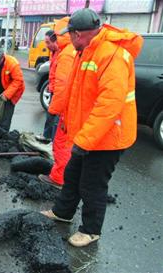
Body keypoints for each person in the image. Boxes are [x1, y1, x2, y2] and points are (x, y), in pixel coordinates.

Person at [41, 8, 143, 247]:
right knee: (73, 175)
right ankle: (63, 213)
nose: (69, 39)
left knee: (92, 184)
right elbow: (78, 96)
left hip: (109, 137)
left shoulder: (111, 55)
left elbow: (109, 105)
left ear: (78, 34)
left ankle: (90, 230)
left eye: (71, 35)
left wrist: (84, 140)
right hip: (90, 133)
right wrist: (68, 126)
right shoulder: (86, 51)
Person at [38, 17, 76, 188]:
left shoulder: (67, 54)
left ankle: (59, 178)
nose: (48, 43)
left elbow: (63, 84)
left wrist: (54, 109)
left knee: (61, 141)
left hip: (66, 105)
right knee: (64, 141)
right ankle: (63, 174)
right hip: (69, 103)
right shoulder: (68, 51)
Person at [35, 30, 60, 143]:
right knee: (50, 114)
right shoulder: (54, 52)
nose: (46, 45)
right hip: (53, 89)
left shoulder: (62, 54)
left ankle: (53, 142)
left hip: (59, 91)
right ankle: (47, 136)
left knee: (55, 117)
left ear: (55, 41)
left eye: (47, 42)